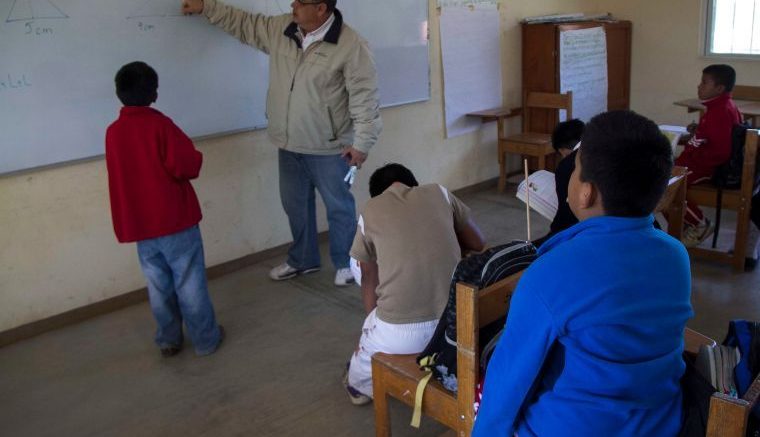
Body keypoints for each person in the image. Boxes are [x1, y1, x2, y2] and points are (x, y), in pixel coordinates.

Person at [473, 111, 693, 436]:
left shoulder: (552, 271)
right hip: (659, 423)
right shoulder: (676, 255)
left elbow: (509, 380)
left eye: (574, 169)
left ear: (585, 192)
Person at [181, 0, 382, 287]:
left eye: (301, 1)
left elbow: (365, 98)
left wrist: (362, 144)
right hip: (288, 143)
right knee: (295, 206)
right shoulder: (283, 29)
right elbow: (245, 24)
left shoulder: (351, 45)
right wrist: (206, 7)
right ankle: (303, 260)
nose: (293, 4)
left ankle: (346, 264)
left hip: (329, 147)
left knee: (339, 207)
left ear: (321, 8)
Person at [105, 61, 224, 357]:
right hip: (174, 220)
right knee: (189, 282)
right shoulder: (160, 125)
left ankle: (169, 340)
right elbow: (187, 165)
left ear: (119, 93)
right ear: (154, 94)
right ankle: (206, 340)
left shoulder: (113, 132)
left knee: (158, 284)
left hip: (141, 225)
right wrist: (195, 155)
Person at [344, 163, 486, 405]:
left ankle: (360, 386)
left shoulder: (371, 209)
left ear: (377, 194)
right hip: (456, 324)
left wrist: (373, 322)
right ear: (413, 184)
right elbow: (478, 242)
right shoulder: (439, 192)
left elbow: (368, 276)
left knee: (359, 263)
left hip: (397, 335)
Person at [677, 64, 742, 247]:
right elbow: (711, 137)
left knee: (668, 186)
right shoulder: (718, 107)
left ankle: (699, 224)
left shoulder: (720, 111)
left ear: (719, 88)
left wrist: (690, 160)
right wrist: (698, 131)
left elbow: (720, 152)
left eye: (704, 83)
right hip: (700, 163)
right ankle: (685, 227)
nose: (699, 86)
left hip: (710, 168)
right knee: (665, 176)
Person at [532, 119, 584, 247]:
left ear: (562, 149)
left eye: (562, 154)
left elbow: (565, 216)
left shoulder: (567, 166)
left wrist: (551, 235)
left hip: (578, 233)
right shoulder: (606, 151)